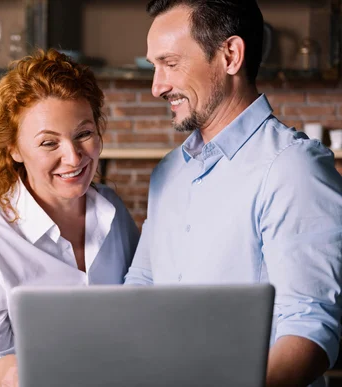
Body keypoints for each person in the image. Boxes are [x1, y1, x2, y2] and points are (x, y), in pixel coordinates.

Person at [125, 1, 342, 386]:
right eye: (154, 66)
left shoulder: (293, 167)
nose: (157, 86)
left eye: (170, 63)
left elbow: (309, 329)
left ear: (230, 55)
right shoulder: (168, 174)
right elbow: (140, 290)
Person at [0, 49, 140, 387]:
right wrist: (12, 374)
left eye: (84, 134)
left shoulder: (114, 212)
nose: (73, 157)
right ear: (15, 150)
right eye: (49, 143)